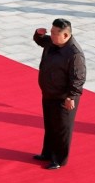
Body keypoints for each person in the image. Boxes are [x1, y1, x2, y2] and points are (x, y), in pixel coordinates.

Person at [33, 19, 86, 169]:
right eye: (51, 31)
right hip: (49, 92)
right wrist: (38, 34)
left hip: (64, 97)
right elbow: (41, 41)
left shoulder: (75, 54)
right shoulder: (53, 42)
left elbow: (78, 78)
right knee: (50, 125)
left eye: (55, 33)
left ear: (66, 35)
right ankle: (48, 153)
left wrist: (71, 96)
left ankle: (59, 159)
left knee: (62, 128)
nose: (52, 34)